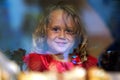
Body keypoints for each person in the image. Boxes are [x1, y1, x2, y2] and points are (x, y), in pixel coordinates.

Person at [23, 3, 98, 73]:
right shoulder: (37, 61)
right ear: (45, 30)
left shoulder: (85, 64)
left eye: (69, 31)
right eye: (55, 29)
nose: (62, 36)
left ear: (77, 35)